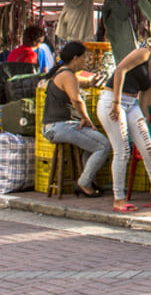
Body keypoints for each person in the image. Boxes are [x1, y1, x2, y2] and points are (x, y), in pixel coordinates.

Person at [97, 43, 151, 212]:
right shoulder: (143, 53)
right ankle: (118, 198)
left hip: (132, 104)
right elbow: (120, 70)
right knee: (122, 150)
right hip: (112, 99)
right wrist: (116, 102)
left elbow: (144, 100)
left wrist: (144, 121)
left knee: (148, 147)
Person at [41, 42, 111, 198]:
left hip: (54, 126)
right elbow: (76, 100)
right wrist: (86, 119)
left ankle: (88, 179)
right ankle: (84, 183)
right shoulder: (68, 75)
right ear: (75, 58)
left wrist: (89, 83)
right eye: (84, 58)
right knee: (104, 145)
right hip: (60, 126)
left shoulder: (61, 73)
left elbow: (73, 86)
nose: (85, 62)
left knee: (93, 144)